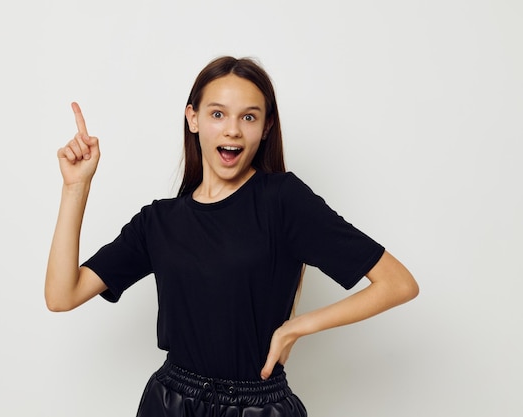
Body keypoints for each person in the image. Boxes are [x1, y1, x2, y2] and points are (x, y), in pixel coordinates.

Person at [45, 56, 419, 417]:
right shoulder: (159, 221)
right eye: (218, 113)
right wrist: (75, 187)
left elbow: (397, 283)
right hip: (170, 402)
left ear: (266, 126)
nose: (233, 130)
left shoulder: (282, 200)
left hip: (258, 405)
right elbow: (62, 295)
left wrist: (297, 327)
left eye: (249, 117)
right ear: (193, 118)